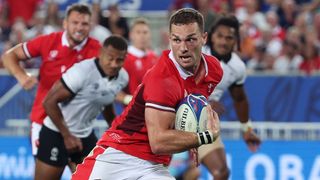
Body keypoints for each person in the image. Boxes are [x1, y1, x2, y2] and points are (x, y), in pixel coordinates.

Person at [72, 8, 223, 179]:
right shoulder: (163, 79)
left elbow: (186, 110)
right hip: (118, 156)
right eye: (176, 40)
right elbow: (158, 142)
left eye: (190, 40)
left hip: (153, 165)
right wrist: (203, 137)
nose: (183, 48)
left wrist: (193, 134)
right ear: (169, 39)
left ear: (204, 38)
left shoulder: (214, 70)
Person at [1, 3, 101, 158]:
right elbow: (9, 56)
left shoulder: (97, 49)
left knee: (86, 174)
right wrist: (21, 76)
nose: (79, 28)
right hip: (44, 120)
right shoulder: (49, 41)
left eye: (84, 24)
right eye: (75, 23)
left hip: (78, 125)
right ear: (65, 23)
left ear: (90, 26)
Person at [35, 35, 128, 180]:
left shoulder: (123, 77)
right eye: (110, 58)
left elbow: (107, 101)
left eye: (119, 60)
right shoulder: (82, 71)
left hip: (84, 136)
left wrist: (118, 134)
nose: (114, 64)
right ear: (100, 53)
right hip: (56, 133)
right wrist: (67, 136)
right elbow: (49, 102)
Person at [200, 14, 261, 179]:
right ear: (210, 35)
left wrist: (247, 130)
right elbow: (176, 86)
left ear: (236, 41)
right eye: (220, 36)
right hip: (176, 120)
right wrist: (203, 103)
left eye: (229, 38)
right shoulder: (195, 54)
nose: (223, 42)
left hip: (203, 124)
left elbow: (239, 99)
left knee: (221, 173)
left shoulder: (237, 67)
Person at [116, 17, 158, 105]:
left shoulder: (154, 57)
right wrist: (129, 100)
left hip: (153, 112)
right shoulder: (124, 59)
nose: (142, 36)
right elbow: (113, 90)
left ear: (150, 34)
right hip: (132, 114)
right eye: (138, 32)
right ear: (131, 35)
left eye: (145, 32)